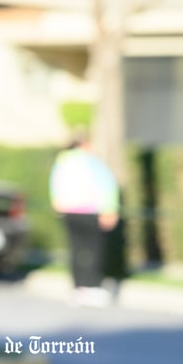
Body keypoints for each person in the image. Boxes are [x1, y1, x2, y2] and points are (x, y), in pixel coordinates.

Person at [49, 128, 120, 307]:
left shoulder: (62, 161)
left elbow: (55, 184)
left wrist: (57, 202)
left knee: (76, 250)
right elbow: (106, 185)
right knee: (93, 250)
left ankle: (78, 287)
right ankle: (92, 286)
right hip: (89, 210)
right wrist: (110, 209)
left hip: (69, 210)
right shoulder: (92, 161)